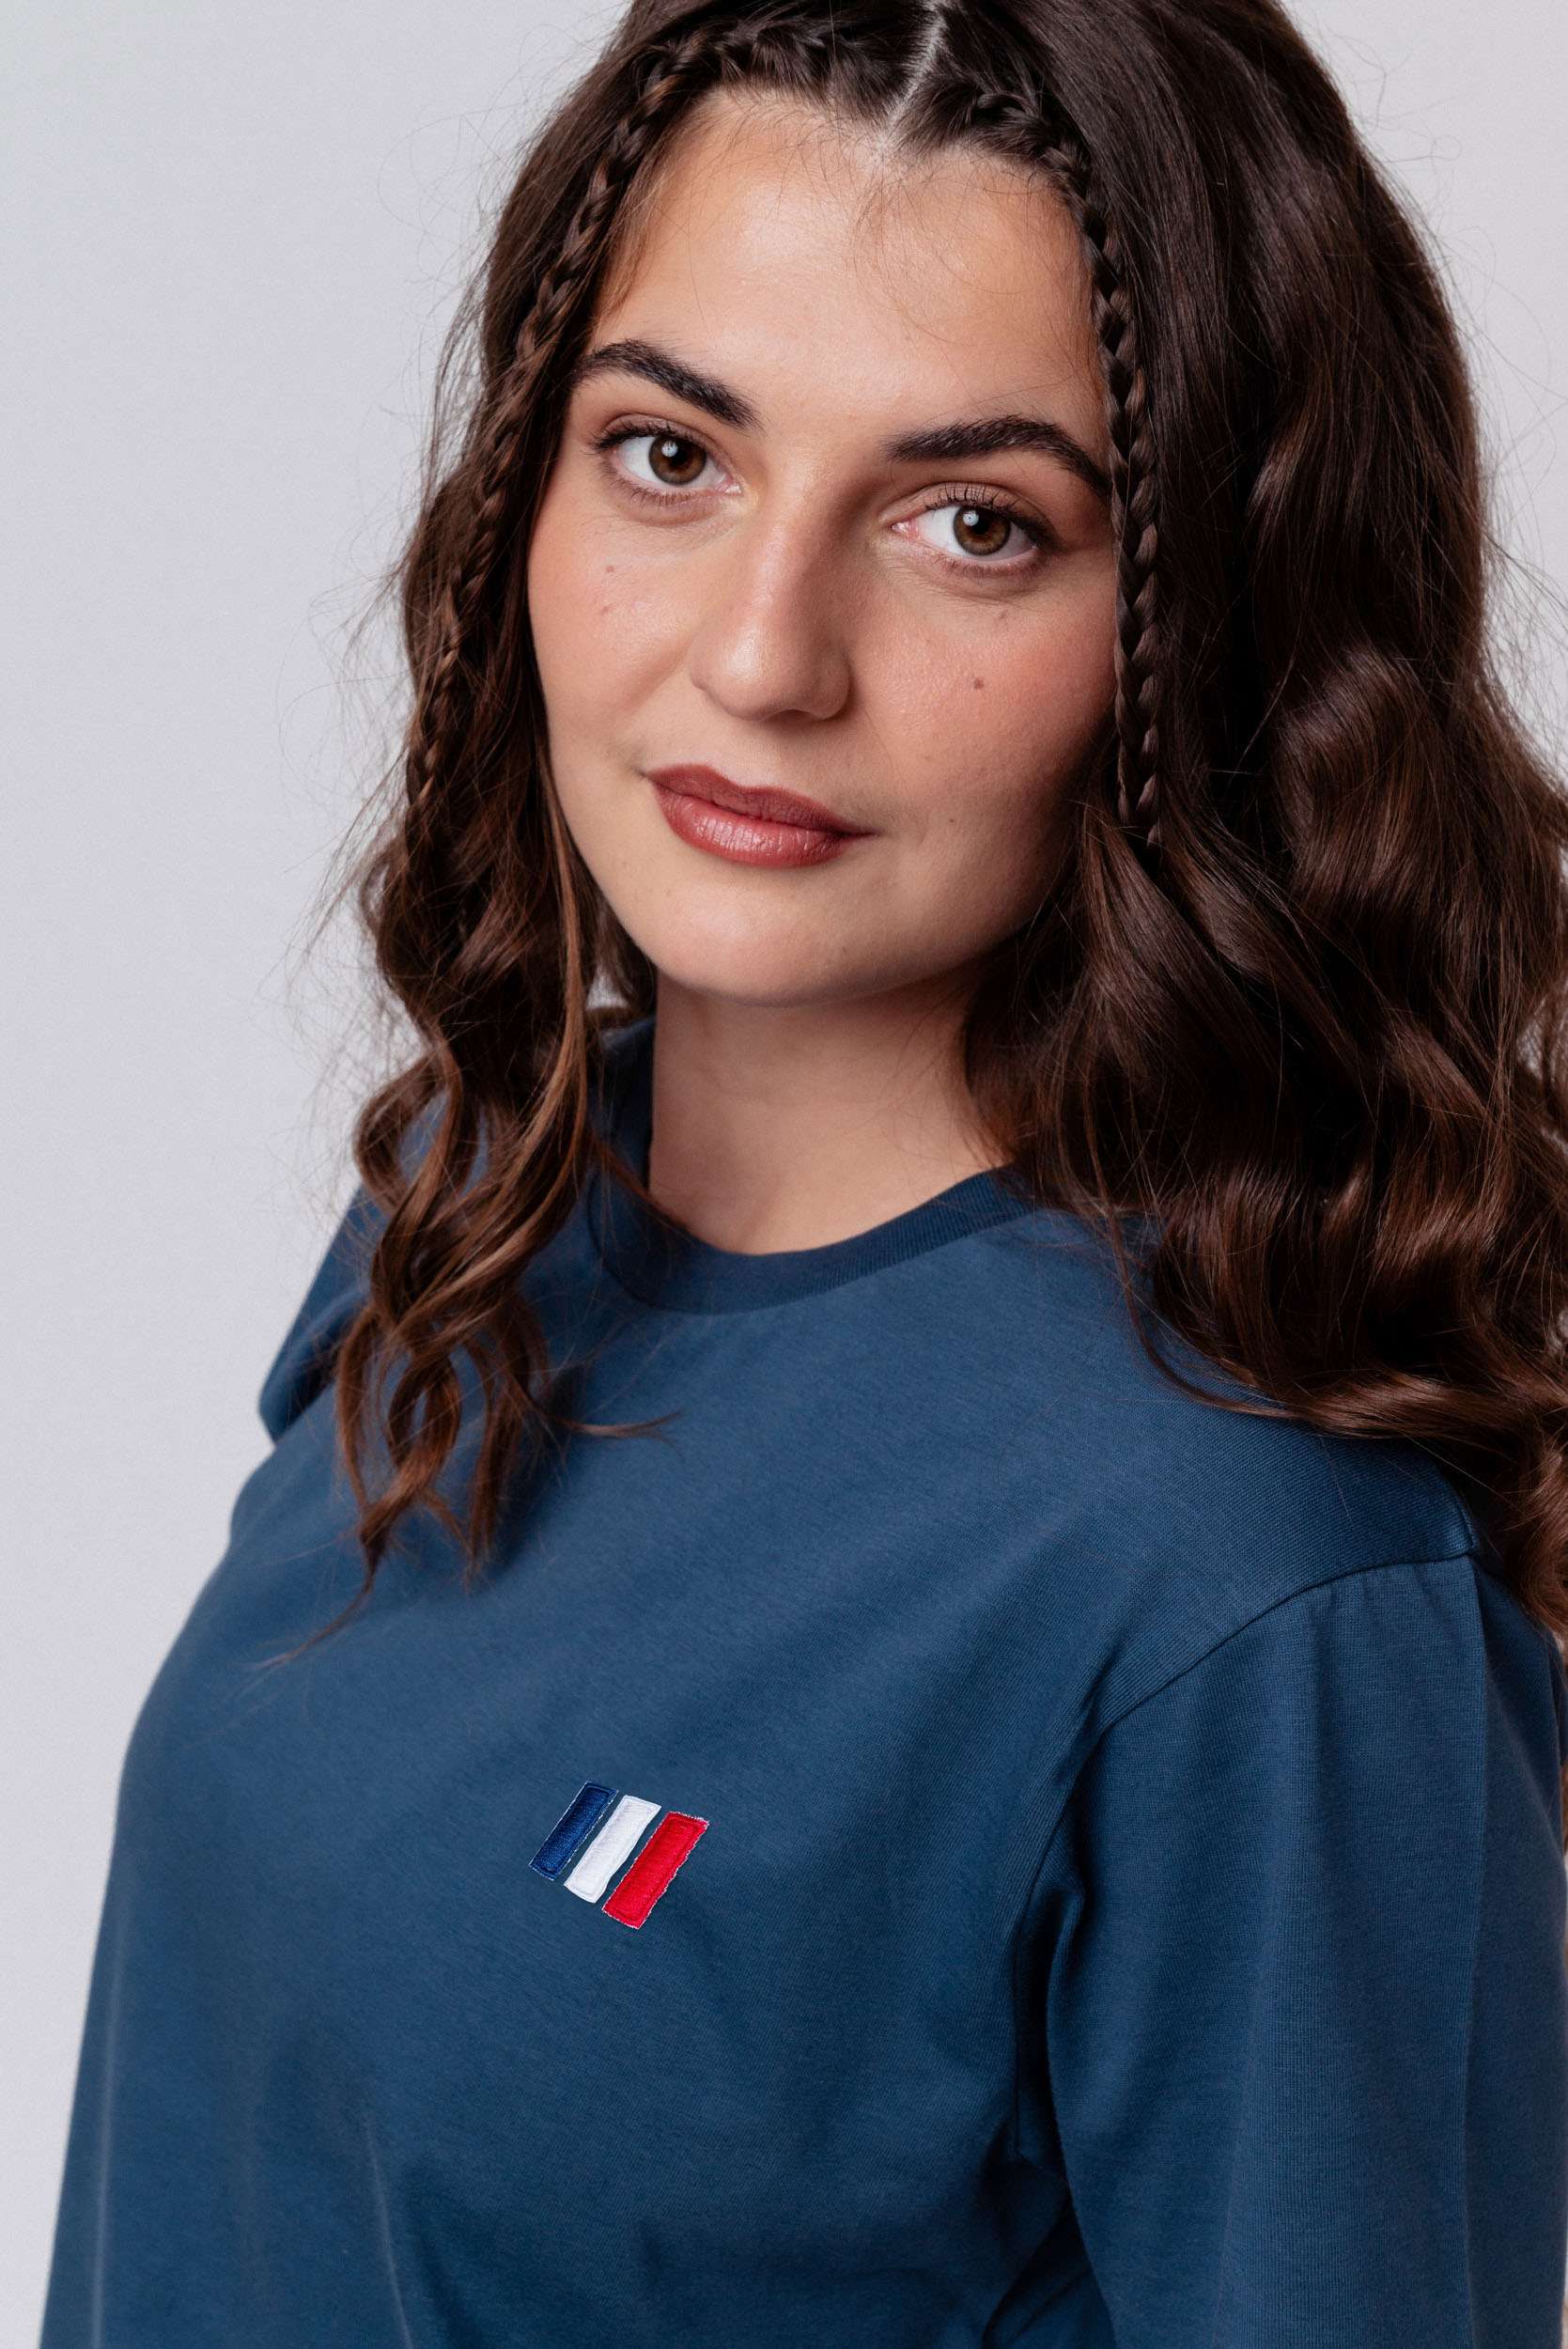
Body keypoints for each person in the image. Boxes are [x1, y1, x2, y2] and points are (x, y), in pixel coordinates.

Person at [39, 0, 1568, 2341]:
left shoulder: (1251, 1584)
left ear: (1211, 629)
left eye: (974, 525)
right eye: (669, 454)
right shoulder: (475, 1205)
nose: (764, 655)